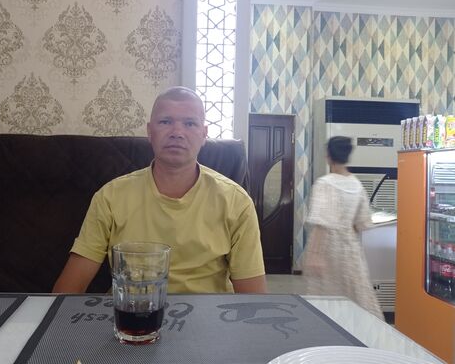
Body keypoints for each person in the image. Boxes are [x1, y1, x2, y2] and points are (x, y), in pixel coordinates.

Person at [53, 86, 267, 294]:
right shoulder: (110, 196)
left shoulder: (236, 202)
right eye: (165, 122)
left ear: (204, 134)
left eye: (190, 123)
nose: (177, 133)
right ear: (150, 132)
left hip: (207, 314)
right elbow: (69, 289)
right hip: (131, 312)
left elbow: (253, 299)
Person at [302, 136, 383, 319]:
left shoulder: (325, 184)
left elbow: (321, 224)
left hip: (327, 250)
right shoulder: (357, 184)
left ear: (328, 156)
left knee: (326, 301)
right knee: (354, 296)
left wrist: (314, 256)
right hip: (351, 251)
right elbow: (362, 223)